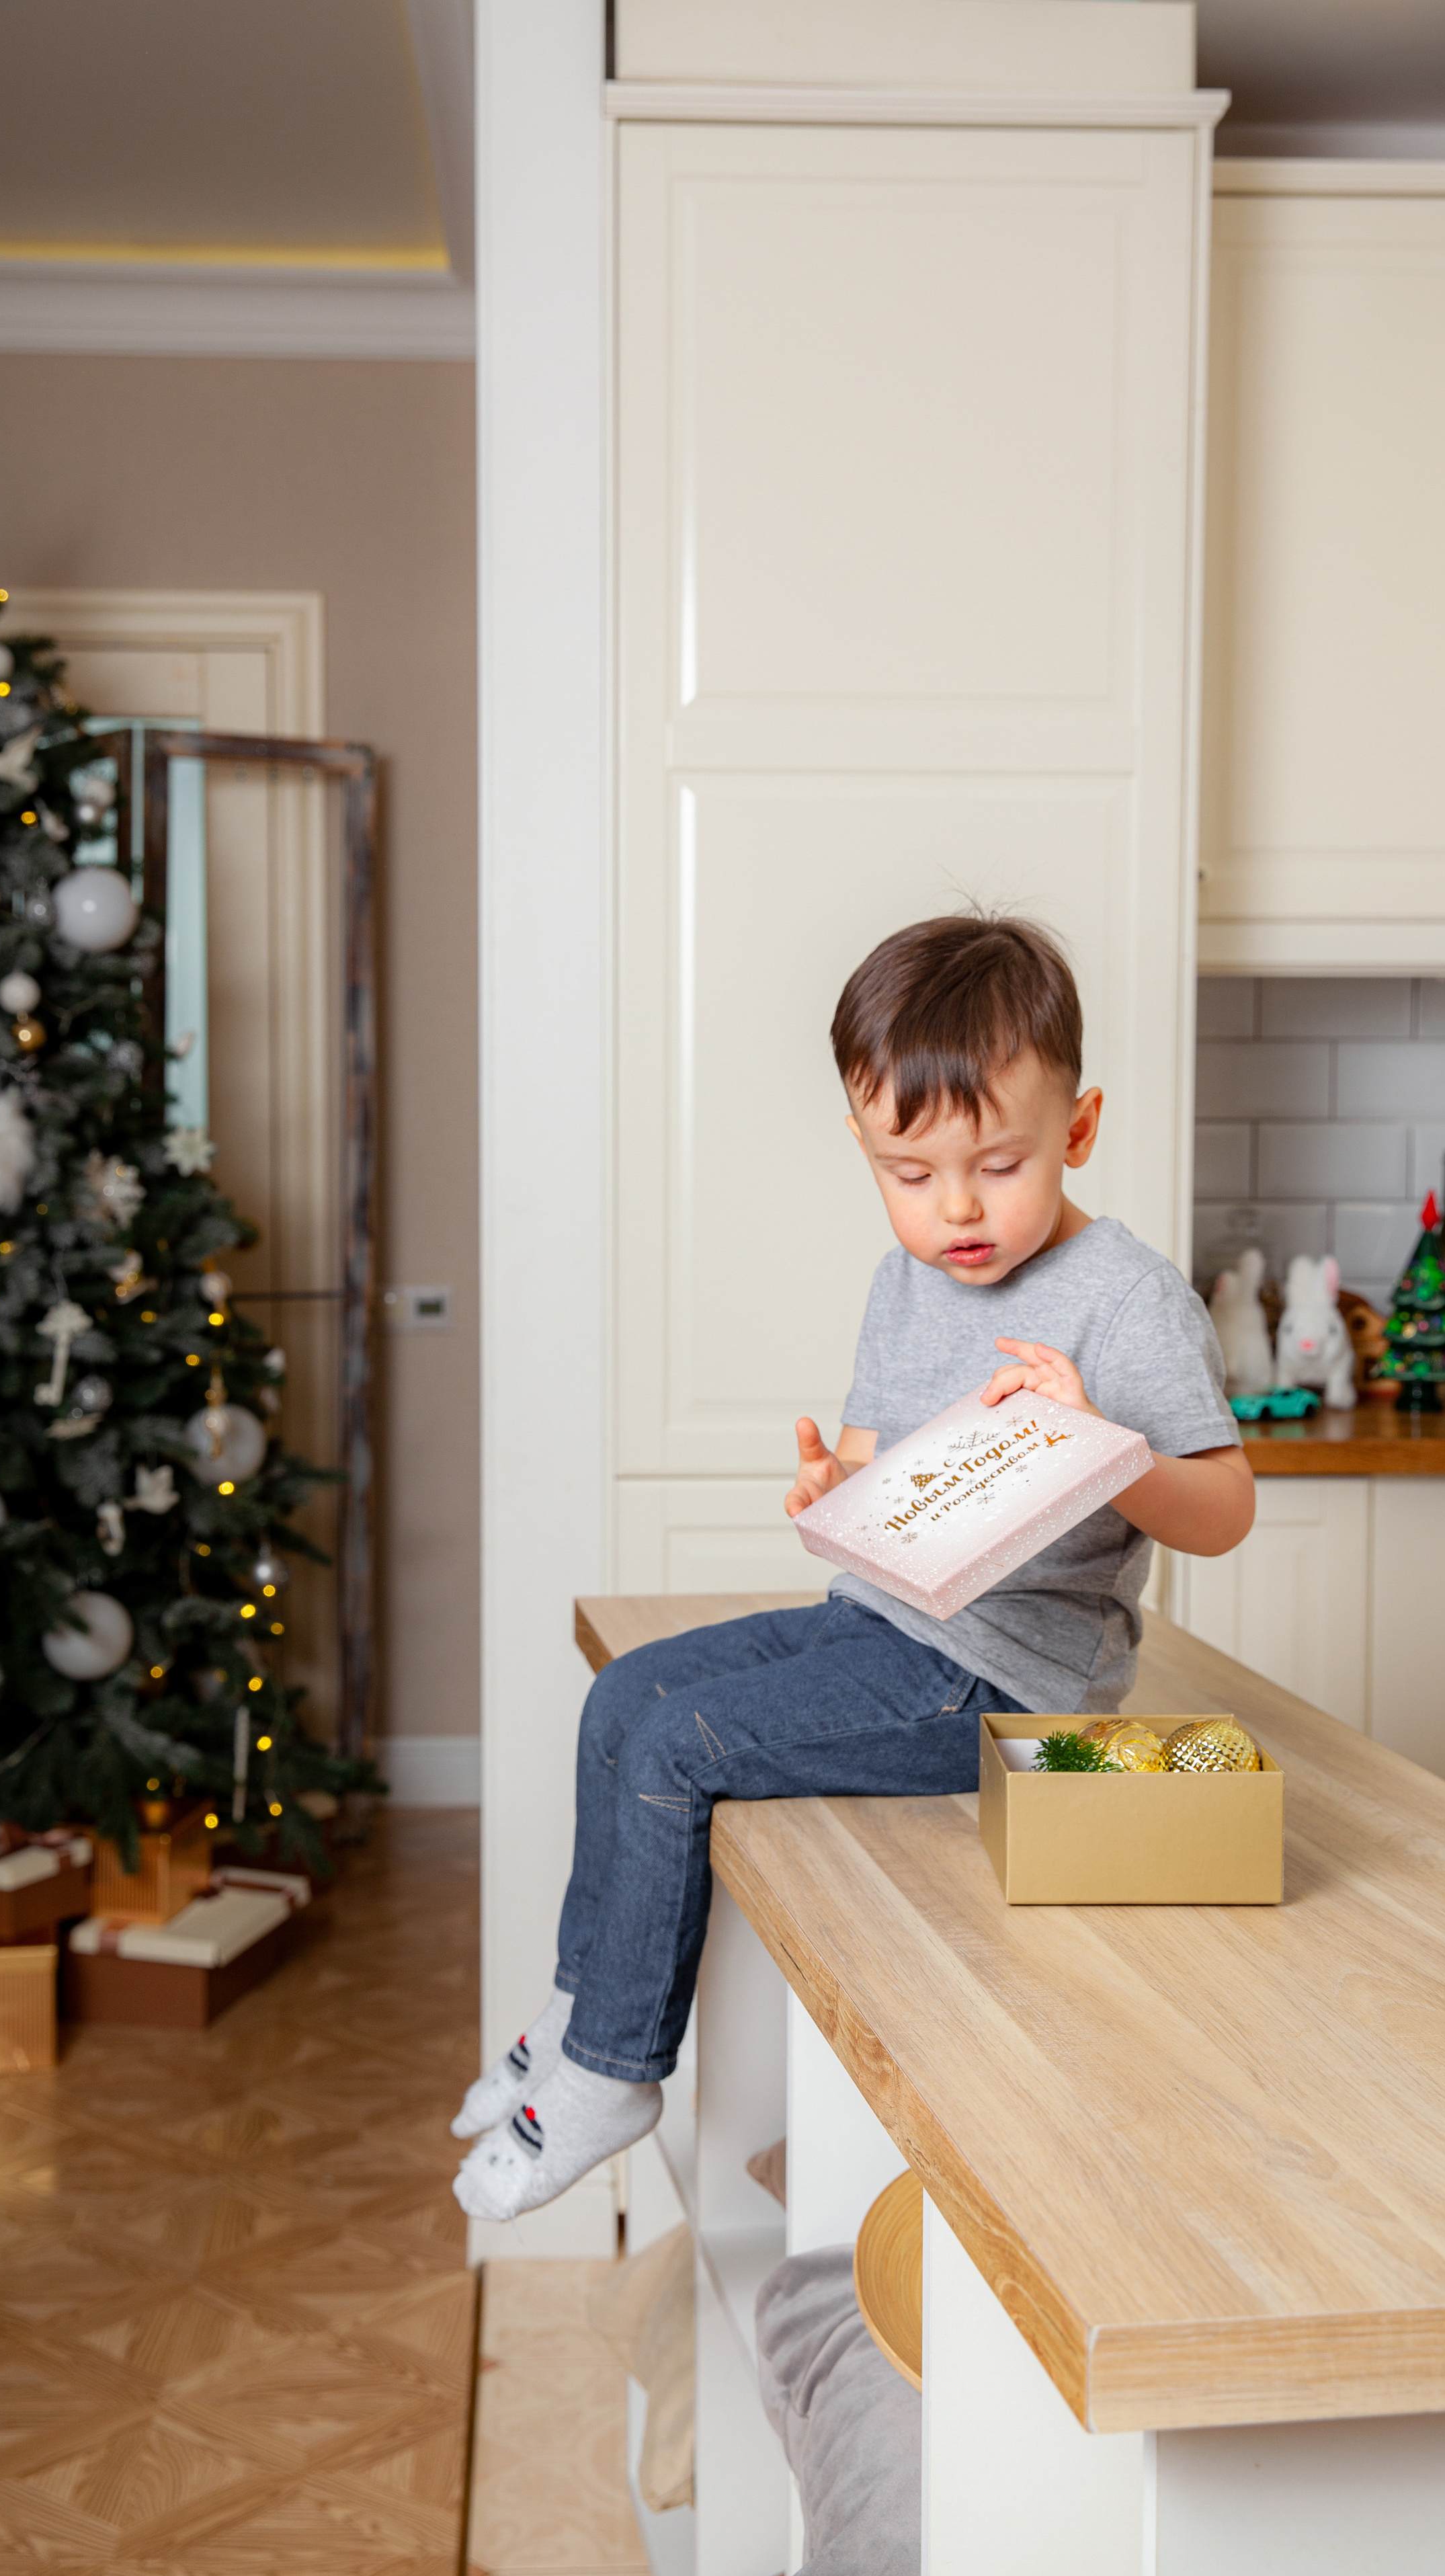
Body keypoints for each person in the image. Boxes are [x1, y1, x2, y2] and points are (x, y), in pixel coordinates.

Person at [453, 913, 1254, 2221]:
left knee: (677, 1746)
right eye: (909, 1172)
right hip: (880, 1621)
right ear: (864, 1147)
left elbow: (1222, 1511)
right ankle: (575, 2010)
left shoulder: (1127, 1300)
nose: (956, 1209)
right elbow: (891, 1468)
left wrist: (1109, 1454)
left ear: (1080, 1128)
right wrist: (837, 1488)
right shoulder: (906, 1279)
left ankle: (612, 2071)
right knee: (621, 1697)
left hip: (999, 1680)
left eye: (999, 1165)